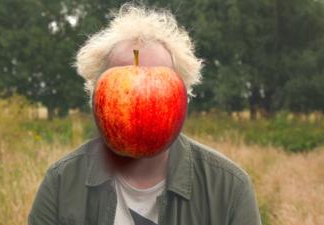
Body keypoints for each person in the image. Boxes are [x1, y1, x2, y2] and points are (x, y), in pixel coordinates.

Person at [28, 4, 262, 225]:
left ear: (182, 95)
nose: (141, 100)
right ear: (97, 96)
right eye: (126, 88)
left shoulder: (229, 187)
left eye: (157, 87)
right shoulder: (62, 182)